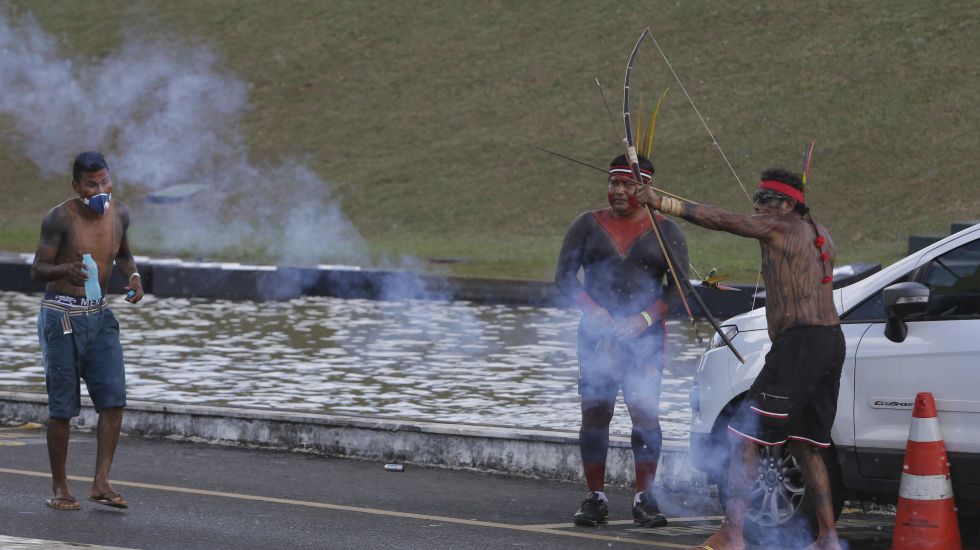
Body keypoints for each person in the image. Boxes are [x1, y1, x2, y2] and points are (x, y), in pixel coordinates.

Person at [637, 168, 845, 550]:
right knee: (804, 443)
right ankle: (828, 538)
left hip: (801, 343)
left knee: (741, 434)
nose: (756, 205)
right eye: (756, 198)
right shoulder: (820, 234)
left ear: (787, 204)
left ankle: (733, 534)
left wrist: (661, 202)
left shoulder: (781, 226)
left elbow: (724, 220)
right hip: (830, 342)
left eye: (764, 200)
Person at [555, 154, 688, 528]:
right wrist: (594, 310)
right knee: (595, 412)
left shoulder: (665, 231)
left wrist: (642, 319)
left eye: (627, 184)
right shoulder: (587, 224)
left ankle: (644, 497)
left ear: (645, 189)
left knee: (644, 413)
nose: (617, 190)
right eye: (613, 182)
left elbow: (680, 291)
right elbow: (564, 279)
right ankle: (595, 497)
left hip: (645, 339)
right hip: (596, 337)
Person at [30, 151, 144, 511]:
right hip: (62, 315)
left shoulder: (121, 213)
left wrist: (134, 277)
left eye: (105, 181)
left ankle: (101, 482)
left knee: (114, 399)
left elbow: (123, 254)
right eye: (91, 185)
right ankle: (60, 487)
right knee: (62, 407)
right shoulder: (59, 217)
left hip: (100, 315)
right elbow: (37, 268)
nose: (100, 190)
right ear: (77, 186)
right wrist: (65, 269)